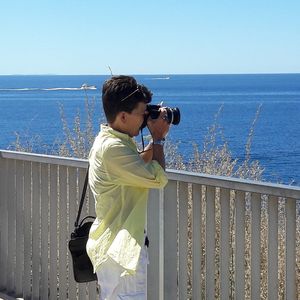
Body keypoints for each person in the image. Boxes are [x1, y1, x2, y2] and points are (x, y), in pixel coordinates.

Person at [86, 75, 170, 299]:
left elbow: (134, 166)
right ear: (123, 116)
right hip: (120, 254)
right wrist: (159, 139)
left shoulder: (111, 140)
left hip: (115, 249)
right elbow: (158, 178)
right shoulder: (113, 148)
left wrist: (153, 142)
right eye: (142, 114)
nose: (145, 119)